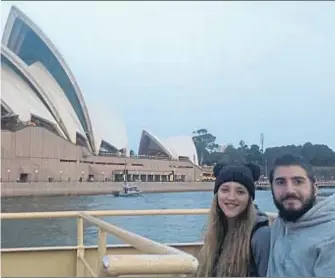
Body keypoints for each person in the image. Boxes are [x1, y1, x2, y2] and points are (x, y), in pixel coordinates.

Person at [196, 163, 270, 277]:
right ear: (217, 194)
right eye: (225, 190)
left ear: (249, 198)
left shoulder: (261, 235)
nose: (231, 197)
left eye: (240, 192)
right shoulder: (215, 232)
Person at [267, 154, 335, 277]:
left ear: (315, 188)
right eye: (280, 182)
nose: (289, 190)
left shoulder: (331, 237)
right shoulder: (281, 224)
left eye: (298, 181)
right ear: (271, 188)